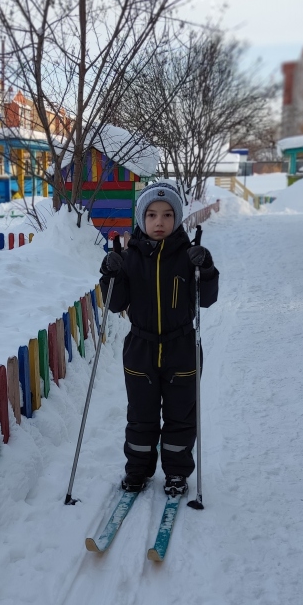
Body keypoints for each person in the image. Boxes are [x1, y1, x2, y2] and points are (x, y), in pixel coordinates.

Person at [99, 181, 219, 497]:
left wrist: (206, 268)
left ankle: (177, 472)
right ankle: (138, 470)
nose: (159, 222)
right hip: (141, 348)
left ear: (177, 218)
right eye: (152, 215)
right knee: (141, 416)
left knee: (181, 416)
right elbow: (115, 304)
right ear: (142, 218)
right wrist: (110, 274)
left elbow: (207, 300)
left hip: (182, 347)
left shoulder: (189, 256)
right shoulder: (129, 258)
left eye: (167, 214)